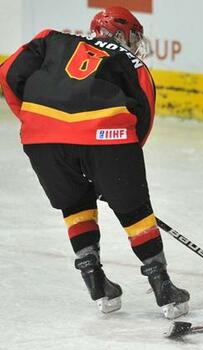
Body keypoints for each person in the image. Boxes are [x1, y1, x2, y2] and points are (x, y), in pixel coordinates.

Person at [0, 6, 189, 319]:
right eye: (133, 36)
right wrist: (114, 170)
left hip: (41, 138)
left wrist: (34, 121)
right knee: (134, 211)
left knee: (75, 203)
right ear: (122, 33)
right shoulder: (131, 61)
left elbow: (8, 73)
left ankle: (97, 283)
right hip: (107, 138)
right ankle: (164, 290)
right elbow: (143, 118)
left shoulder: (50, 39)